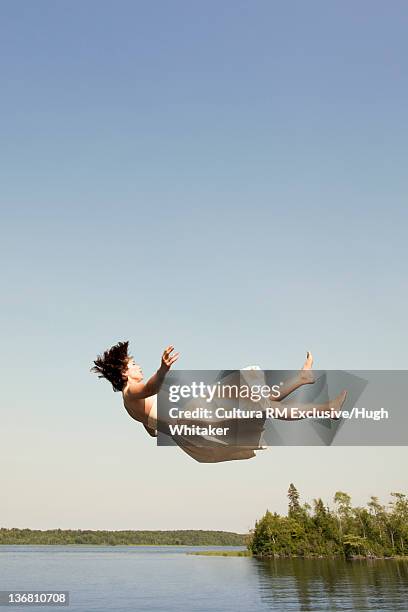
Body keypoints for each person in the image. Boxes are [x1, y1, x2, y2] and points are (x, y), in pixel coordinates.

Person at [91, 343, 346, 462]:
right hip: (194, 419)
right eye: (133, 364)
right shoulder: (131, 391)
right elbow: (151, 387)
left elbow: (150, 430)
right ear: (125, 373)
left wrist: (159, 423)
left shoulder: (129, 403)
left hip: (191, 426)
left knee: (257, 401)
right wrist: (163, 369)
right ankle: (326, 407)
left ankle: (302, 379)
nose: (138, 365)